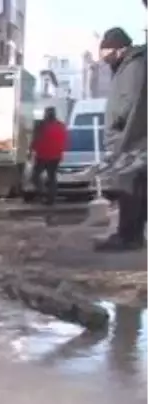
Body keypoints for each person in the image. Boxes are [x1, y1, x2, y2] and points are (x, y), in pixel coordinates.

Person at [94, 27, 148, 251]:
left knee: (129, 188)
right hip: (131, 137)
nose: (104, 58)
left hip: (131, 138)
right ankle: (130, 235)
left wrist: (117, 124)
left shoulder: (132, 66)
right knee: (134, 189)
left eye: (106, 51)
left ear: (119, 48)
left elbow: (129, 101)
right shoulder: (128, 65)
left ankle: (128, 237)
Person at [30, 106, 67, 205]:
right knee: (52, 177)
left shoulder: (41, 126)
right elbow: (64, 140)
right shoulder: (61, 125)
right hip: (55, 156)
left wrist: (32, 149)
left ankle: (43, 193)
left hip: (43, 156)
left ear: (46, 114)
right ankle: (51, 198)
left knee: (35, 176)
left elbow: (36, 139)